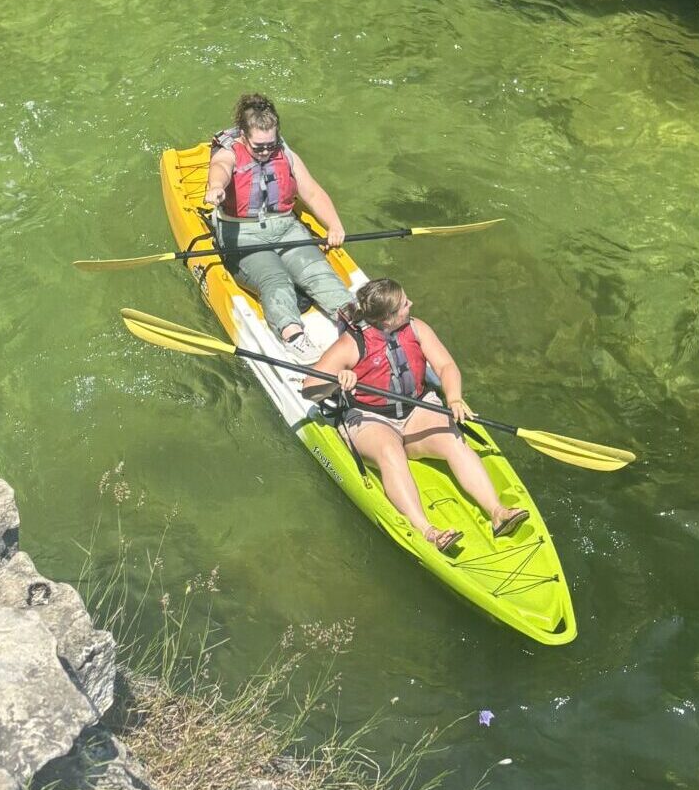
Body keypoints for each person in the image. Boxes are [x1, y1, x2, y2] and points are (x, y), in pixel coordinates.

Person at [301, 277, 527, 553]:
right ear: (387, 319)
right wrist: (337, 379)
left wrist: (454, 398)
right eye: (404, 304)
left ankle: (497, 512)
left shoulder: (417, 328)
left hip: (417, 409)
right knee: (390, 454)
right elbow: (310, 390)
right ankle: (428, 531)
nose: (411, 304)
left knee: (453, 438)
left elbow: (446, 366)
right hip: (372, 419)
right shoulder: (351, 344)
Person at [202, 93, 350, 357]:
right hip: (243, 236)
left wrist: (334, 225)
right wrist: (215, 187)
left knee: (318, 273)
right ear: (244, 137)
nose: (265, 151)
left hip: (286, 229)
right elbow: (220, 168)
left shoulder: (284, 152)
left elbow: (312, 193)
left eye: (270, 144)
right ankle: (292, 334)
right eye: (258, 146)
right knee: (275, 279)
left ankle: (357, 319)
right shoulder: (230, 153)